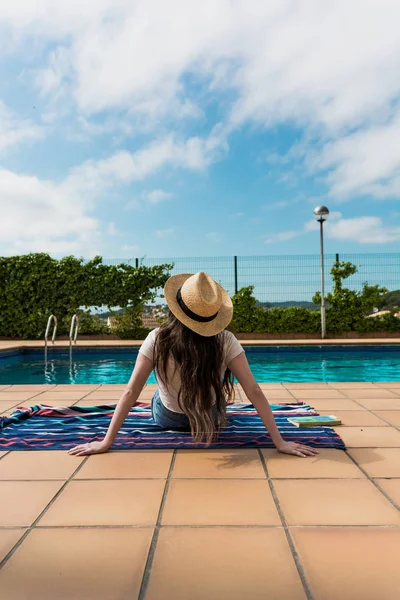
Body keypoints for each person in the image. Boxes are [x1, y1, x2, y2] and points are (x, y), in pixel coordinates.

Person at [68, 272, 318, 458]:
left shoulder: (157, 338)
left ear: (176, 308)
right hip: (212, 419)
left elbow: (130, 392)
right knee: (216, 395)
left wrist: (106, 442)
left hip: (168, 419)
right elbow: (255, 392)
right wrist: (280, 442)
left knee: (158, 393)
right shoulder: (225, 340)